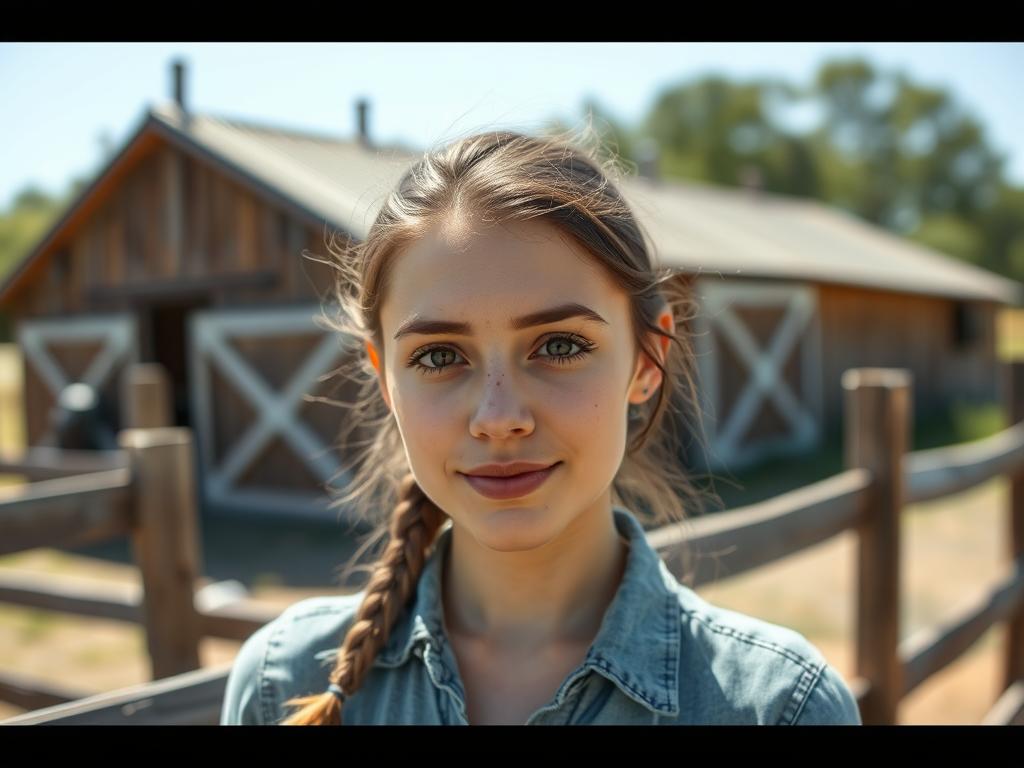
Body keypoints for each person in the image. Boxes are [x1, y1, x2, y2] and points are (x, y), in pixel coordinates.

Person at [220, 126, 862, 726]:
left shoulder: (779, 707)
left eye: (559, 346)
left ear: (647, 360)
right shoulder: (283, 682)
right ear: (385, 376)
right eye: (439, 356)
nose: (500, 419)